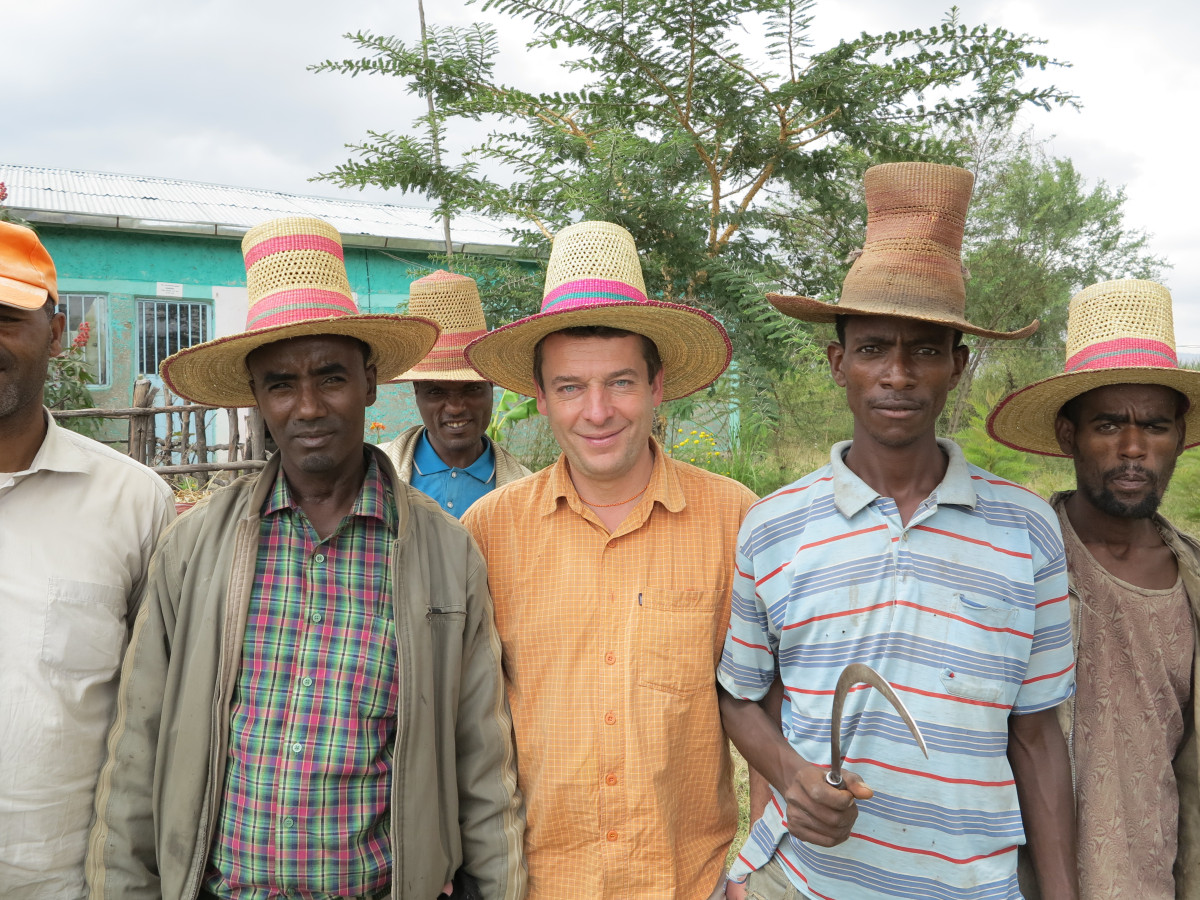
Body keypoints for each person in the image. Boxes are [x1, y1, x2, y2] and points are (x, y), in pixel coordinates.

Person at [85, 217, 525, 900]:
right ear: (258, 399)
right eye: (282, 384)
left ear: (372, 383)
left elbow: (482, 766)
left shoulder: (444, 553)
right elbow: (137, 747)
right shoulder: (195, 547)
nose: (309, 407)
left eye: (331, 377)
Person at [718, 162, 1078, 900]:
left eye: (925, 349)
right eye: (875, 347)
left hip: (973, 886)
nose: (898, 374)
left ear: (957, 365)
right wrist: (792, 775)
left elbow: (1037, 736)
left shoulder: (1027, 529)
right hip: (810, 883)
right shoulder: (774, 526)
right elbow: (740, 695)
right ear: (837, 363)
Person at [459, 220, 757, 899]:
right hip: (538, 882)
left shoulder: (735, 520)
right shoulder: (489, 531)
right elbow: (464, 722)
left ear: (657, 386)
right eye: (570, 388)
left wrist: (758, 868)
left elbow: (764, 708)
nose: (597, 412)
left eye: (620, 383)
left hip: (688, 883)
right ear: (539, 398)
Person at [989, 278, 1200, 899]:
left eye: (1156, 427)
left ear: (1181, 439)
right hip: (1014, 882)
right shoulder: (1013, 561)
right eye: (1108, 425)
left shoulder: (1193, 580)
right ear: (1067, 436)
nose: (1133, 449)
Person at [0, 221, 175, 899]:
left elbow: (156, 714)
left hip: (66, 882)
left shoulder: (135, 504)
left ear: (56, 329)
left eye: (6, 317)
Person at [381, 269, 529, 517]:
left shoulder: (526, 490)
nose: (456, 407)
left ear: (491, 385)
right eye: (436, 391)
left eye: (471, 388)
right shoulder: (372, 474)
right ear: (416, 391)